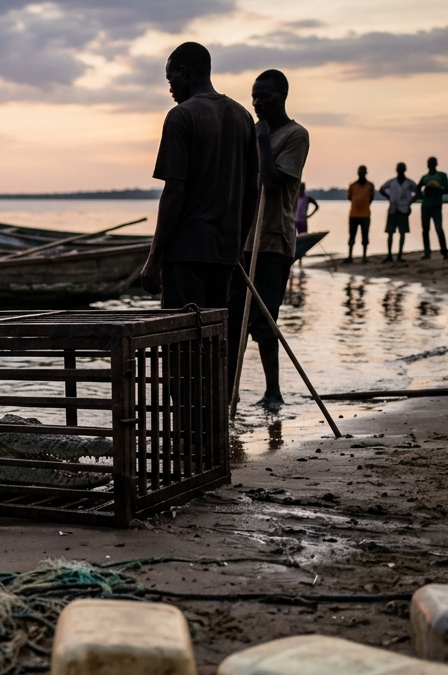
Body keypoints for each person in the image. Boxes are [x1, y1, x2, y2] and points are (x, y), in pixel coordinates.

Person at [140, 42, 258, 311]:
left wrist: (154, 257)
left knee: (182, 343)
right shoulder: (243, 117)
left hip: (186, 253)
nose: (170, 88)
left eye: (171, 79)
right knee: (213, 338)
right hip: (224, 252)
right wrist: (238, 245)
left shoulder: (181, 116)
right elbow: (252, 191)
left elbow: (174, 192)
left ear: (185, 71)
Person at [225, 69, 309, 410]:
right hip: (243, 241)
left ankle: (273, 391)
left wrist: (260, 138)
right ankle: (228, 393)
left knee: (264, 319)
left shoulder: (295, 135)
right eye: (254, 97)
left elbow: (273, 182)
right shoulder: (252, 134)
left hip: (273, 241)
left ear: (283, 96)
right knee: (232, 320)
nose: (258, 103)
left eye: (266, 97)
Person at [378, 163, 417, 262]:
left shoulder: (409, 183)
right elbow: (382, 189)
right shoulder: (392, 182)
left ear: (404, 170)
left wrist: (410, 202)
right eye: (399, 169)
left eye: (402, 169)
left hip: (403, 209)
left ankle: (399, 255)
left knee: (402, 233)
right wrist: (389, 197)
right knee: (390, 232)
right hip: (393, 209)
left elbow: (418, 192)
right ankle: (390, 255)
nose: (400, 170)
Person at [417, 156, 448, 259]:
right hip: (426, 205)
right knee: (425, 230)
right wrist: (422, 194)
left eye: (432, 163)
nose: (430, 165)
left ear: (436, 164)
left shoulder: (441, 176)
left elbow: (447, 190)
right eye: (429, 163)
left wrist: (437, 189)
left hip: (436, 205)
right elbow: (417, 188)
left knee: (439, 229)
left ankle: (444, 252)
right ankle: (427, 253)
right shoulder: (424, 178)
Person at [346, 166, 373, 262]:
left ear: (366, 173)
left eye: (363, 172)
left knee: (365, 237)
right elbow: (350, 197)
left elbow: (371, 198)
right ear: (358, 173)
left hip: (365, 215)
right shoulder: (353, 186)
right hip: (353, 215)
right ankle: (350, 256)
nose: (361, 174)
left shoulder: (370, 186)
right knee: (351, 236)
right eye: (360, 172)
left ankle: (364, 257)